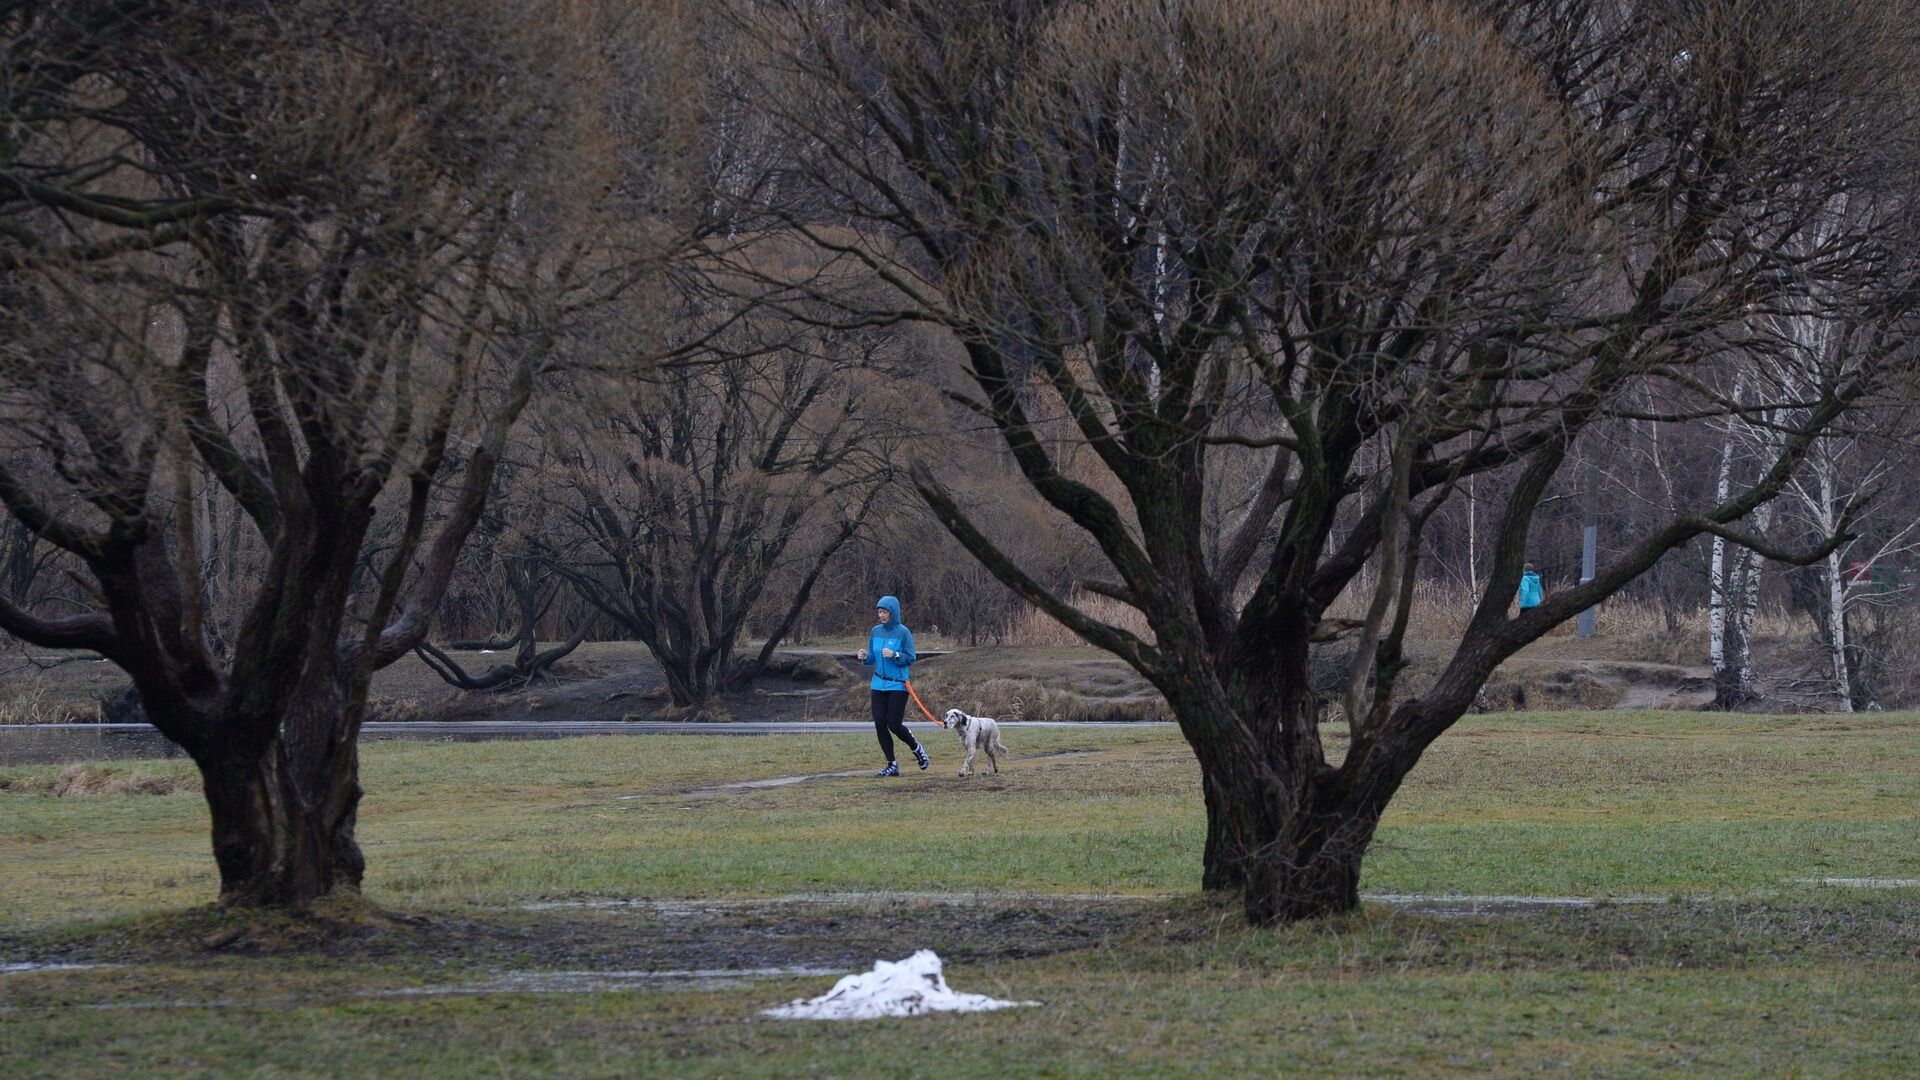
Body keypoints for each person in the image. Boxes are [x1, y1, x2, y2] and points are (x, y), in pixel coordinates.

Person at [859, 595, 928, 776]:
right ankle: (892, 765)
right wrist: (865, 657)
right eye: (879, 612)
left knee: (894, 724)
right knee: (880, 723)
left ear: (893, 612)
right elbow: (873, 658)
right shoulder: (875, 631)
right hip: (878, 683)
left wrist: (895, 655)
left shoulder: (903, 632)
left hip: (898, 684)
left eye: (885, 612)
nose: (881, 615)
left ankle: (917, 748)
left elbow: (910, 657)